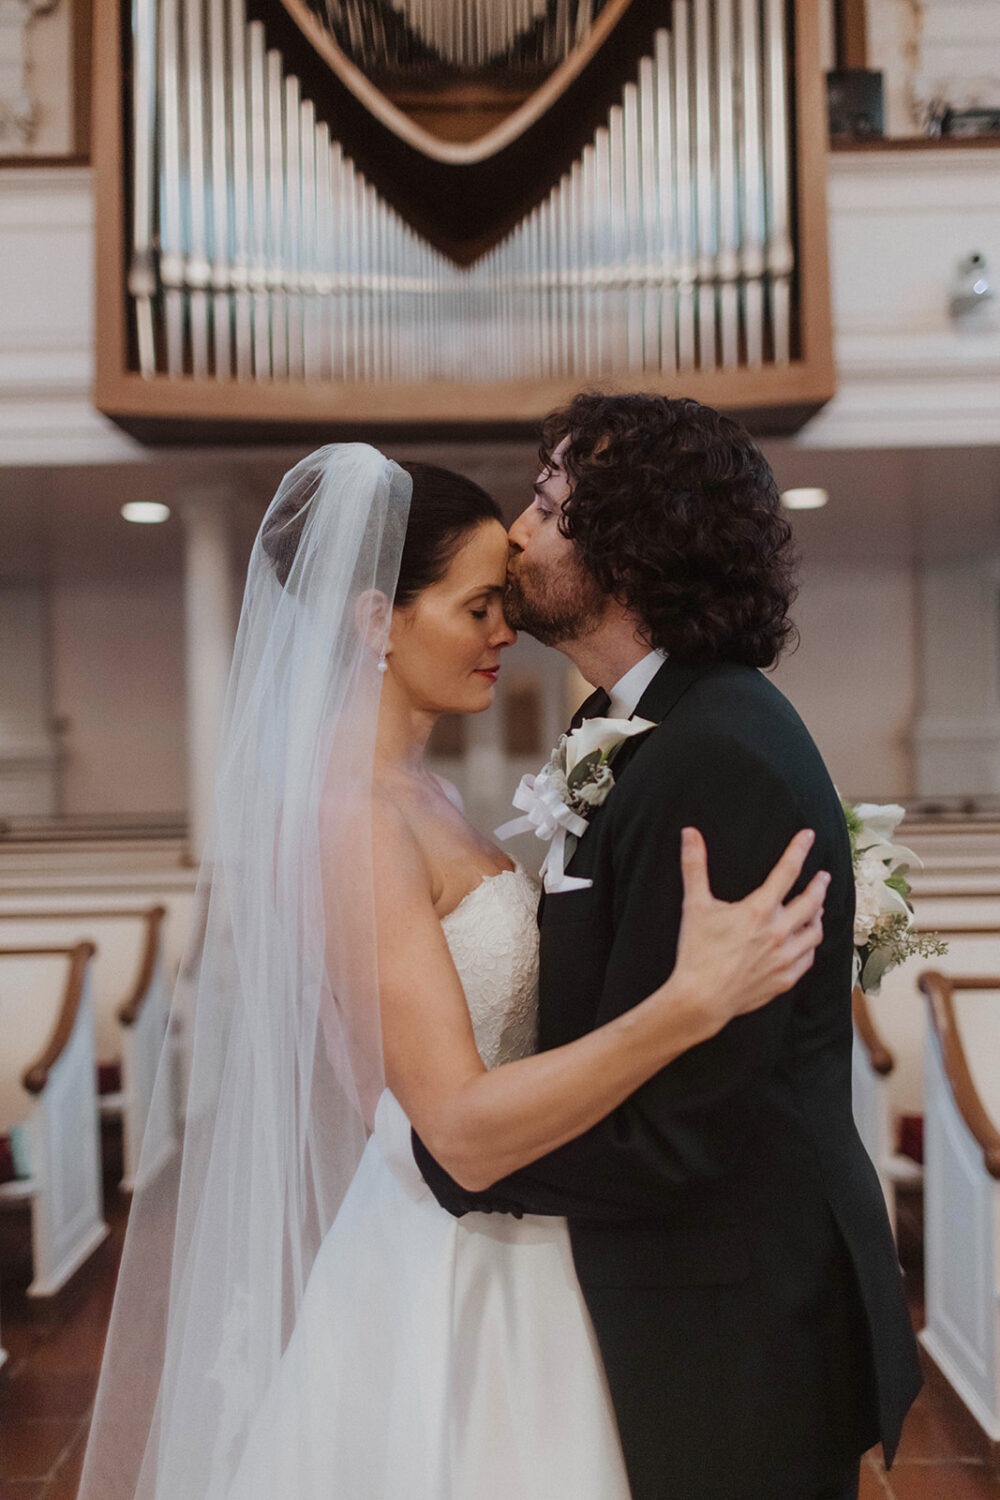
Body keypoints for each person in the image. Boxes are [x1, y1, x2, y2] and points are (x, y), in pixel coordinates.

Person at [78, 443, 827, 1500]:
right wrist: (688, 1002)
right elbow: (460, 1129)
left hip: (524, 1228)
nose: (504, 634)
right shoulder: (353, 820)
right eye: (478, 607)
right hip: (454, 1243)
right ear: (377, 620)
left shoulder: (416, 794)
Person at [414, 393, 924, 1500]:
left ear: (631, 545)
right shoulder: (656, 728)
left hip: (738, 1327)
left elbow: (682, 1135)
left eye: (549, 502)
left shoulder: (717, 757)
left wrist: (456, 1161)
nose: (517, 531)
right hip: (692, 1291)